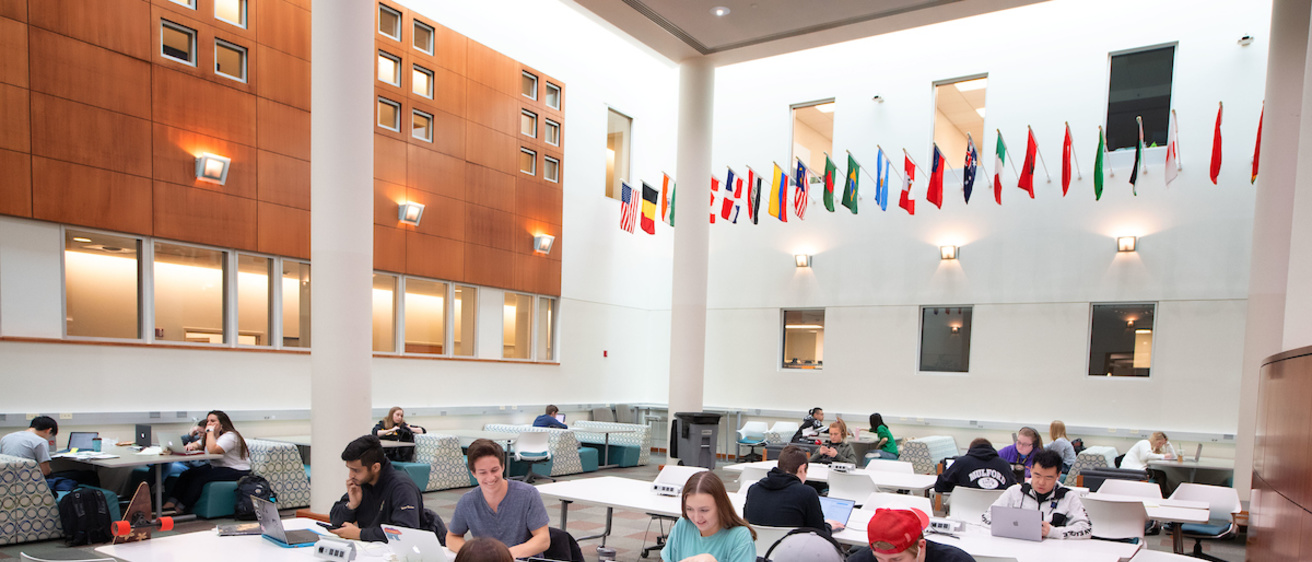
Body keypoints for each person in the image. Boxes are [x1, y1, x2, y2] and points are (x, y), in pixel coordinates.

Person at [329, 435, 444, 542]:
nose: (351, 475)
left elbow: (405, 533)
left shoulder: (402, 487)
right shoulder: (362, 483)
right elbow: (335, 520)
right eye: (349, 469)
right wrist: (352, 505)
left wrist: (360, 534)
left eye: (356, 470)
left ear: (375, 467)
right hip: (376, 551)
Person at [448, 439, 550, 558]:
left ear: (502, 467)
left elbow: (543, 539)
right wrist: (475, 555)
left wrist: (504, 556)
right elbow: (451, 537)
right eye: (483, 473)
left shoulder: (528, 494)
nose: (490, 478)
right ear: (474, 473)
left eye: (494, 470)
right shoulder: (468, 501)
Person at [983, 449, 1091, 540]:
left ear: (1058, 475)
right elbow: (986, 518)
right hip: (1016, 547)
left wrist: (1053, 532)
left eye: (1048, 477)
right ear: (1031, 470)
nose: (1041, 482)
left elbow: (1086, 529)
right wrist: (1010, 528)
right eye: (1037, 475)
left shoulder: (1068, 496)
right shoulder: (1015, 491)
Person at [743, 444, 844, 536]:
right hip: (792, 554)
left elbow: (746, 524)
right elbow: (819, 534)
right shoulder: (807, 494)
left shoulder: (754, 490)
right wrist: (828, 526)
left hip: (757, 553)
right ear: (802, 468)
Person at [162, 411, 250, 514]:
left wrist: (210, 432)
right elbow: (198, 444)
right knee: (187, 474)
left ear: (222, 424)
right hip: (219, 467)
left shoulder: (230, 436)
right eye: (208, 421)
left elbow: (213, 450)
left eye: (213, 421)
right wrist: (189, 447)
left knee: (199, 478)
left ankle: (181, 508)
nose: (209, 423)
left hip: (237, 469)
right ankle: (171, 503)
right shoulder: (212, 436)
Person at [662, 471, 756, 562]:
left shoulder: (739, 537)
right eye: (690, 509)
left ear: (720, 506)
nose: (697, 518)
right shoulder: (683, 524)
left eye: (704, 510)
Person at [0, 416, 100, 490]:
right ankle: (97, 504)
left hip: (10, 480)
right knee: (90, 474)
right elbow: (45, 472)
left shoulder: (7, 437)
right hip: (33, 481)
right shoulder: (39, 441)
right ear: (49, 430)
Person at [847, 507, 975, 562]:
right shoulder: (860, 560)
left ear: (921, 546)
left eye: (897, 560)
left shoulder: (956, 560)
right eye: (879, 559)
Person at [933, 438, 1016, 493]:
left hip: (965, 510)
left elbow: (940, 486)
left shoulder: (961, 462)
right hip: (995, 513)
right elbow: (1013, 490)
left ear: (971, 449)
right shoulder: (1004, 464)